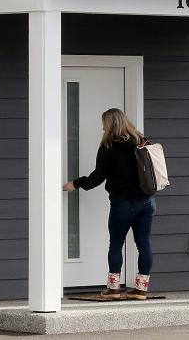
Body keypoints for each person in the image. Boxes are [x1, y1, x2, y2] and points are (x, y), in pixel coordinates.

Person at [62, 107, 155, 298]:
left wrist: (75, 184)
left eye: (104, 124)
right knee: (143, 243)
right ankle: (140, 289)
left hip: (123, 203)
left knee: (116, 244)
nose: (103, 128)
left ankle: (113, 289)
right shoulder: (141, 141)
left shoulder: (109, 146)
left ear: (109, 124)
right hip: (147, 201)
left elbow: (98, 177)